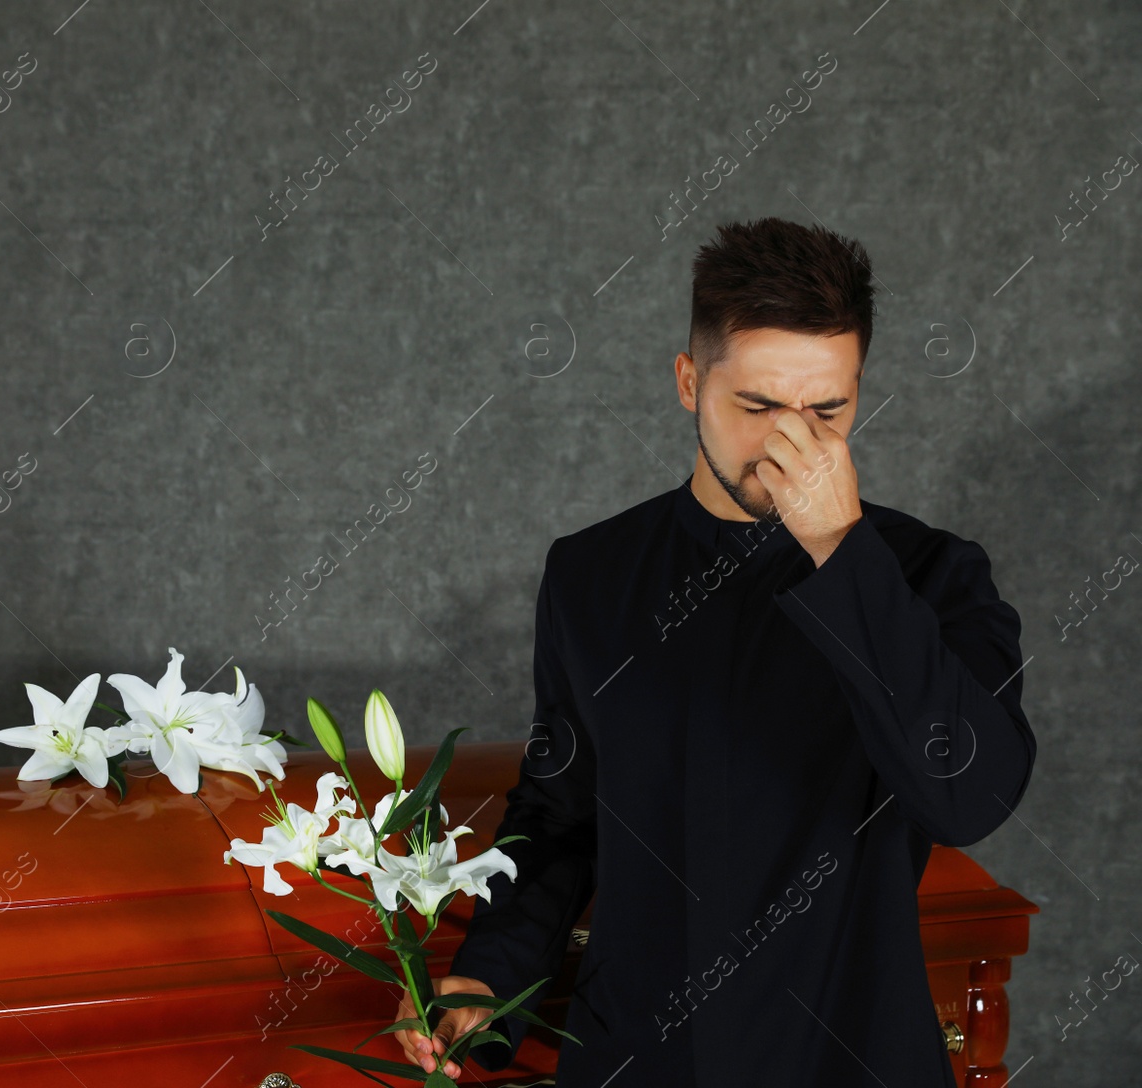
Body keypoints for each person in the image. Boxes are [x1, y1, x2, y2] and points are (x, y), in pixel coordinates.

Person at [394, 217, 1036, 1086]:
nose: (789, 445)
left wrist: (842, 552)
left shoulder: (931, 575)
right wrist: (490, 971)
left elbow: (967, 797)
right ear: (690, 382)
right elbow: (561, 810)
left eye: (827, 410)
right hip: (638, 1057)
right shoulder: (590, 574)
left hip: (848, 1054)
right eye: (759, 406)